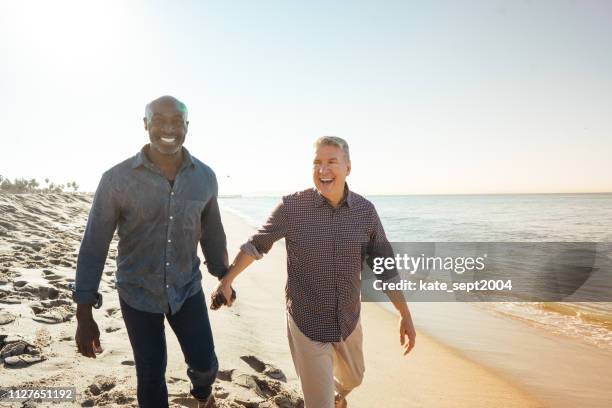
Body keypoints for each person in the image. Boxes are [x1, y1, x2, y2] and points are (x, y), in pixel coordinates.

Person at [211, 136, 416, 408]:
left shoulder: (365, 212)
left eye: (332, 162)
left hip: (348, 320)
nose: (323, 170)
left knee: (355, 378)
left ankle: (337, 394)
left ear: (348, 168)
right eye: (317, 162)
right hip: (306, 321)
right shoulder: (292, 207)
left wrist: (404, 313)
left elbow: (385, 266)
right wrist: (227, 281)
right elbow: (256, 244)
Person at [73, 95, 231, 408]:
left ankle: (203, 395)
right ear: (146, 124)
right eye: (159, 120)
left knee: (204, 365)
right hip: (137, 293)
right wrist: (83, 312)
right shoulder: (116, 179)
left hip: (187, 288)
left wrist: (223, 276)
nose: (168, 127)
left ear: (187, 126)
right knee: (150, 375)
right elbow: (94, 244)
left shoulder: (205, 177)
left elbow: (211, 231)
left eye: (176, 121)